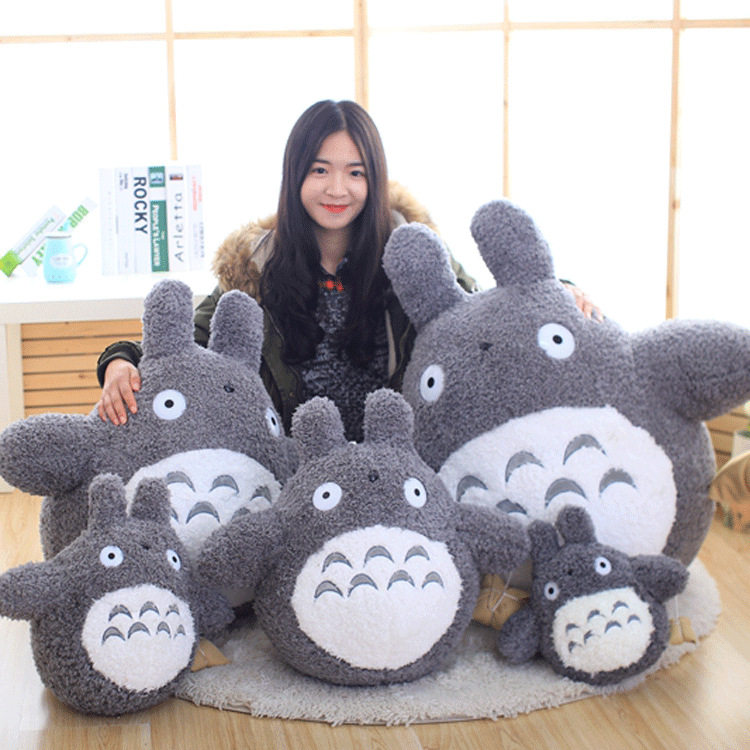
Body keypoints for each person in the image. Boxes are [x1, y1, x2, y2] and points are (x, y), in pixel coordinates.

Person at [96, 99, 600, 441]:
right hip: (296, 475)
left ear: (373, 179)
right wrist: (120, 361)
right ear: (295, 175)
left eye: (355, 173)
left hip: (403, 464)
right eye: (320, 170)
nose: (337, 189)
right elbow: (191, 338)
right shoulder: (256, 265)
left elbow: (480, 313)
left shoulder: (413, 253)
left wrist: (557, 292)